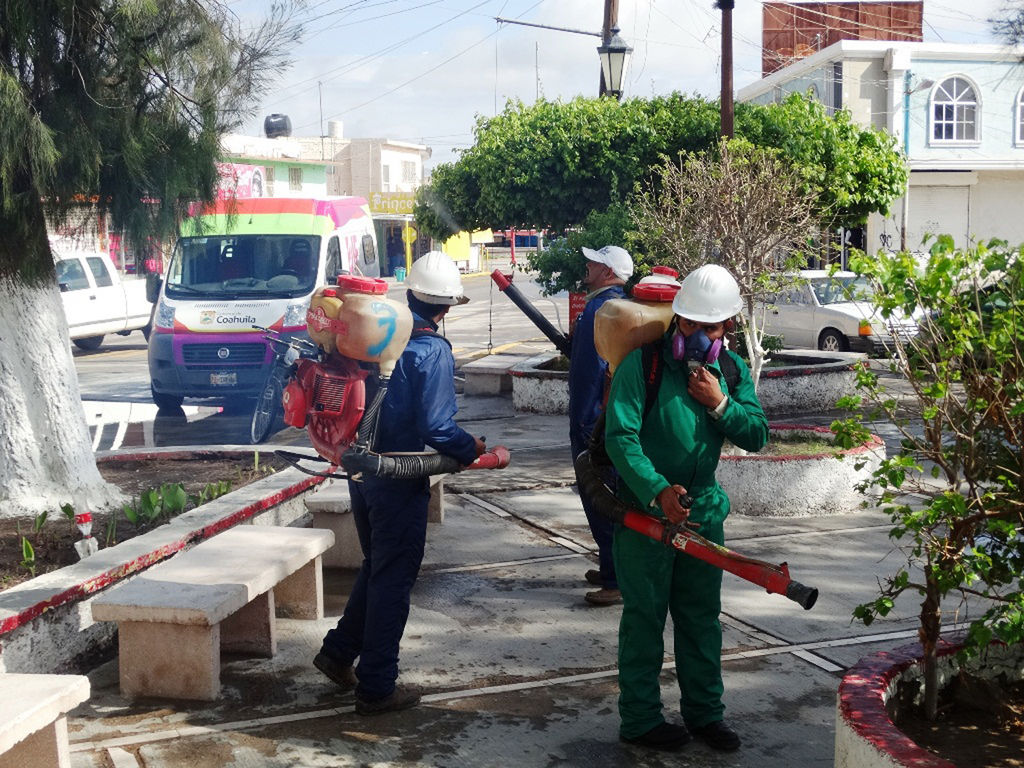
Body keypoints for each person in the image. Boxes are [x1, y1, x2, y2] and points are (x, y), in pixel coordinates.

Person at [603, 264, 768, 753]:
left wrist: (721, 405)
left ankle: (705, 715)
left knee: (701, 620)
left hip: (704, 514)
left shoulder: (730, 372)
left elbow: (757, 434)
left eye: (709, 327)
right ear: (676, 318)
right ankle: (640, 720)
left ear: (726, 327)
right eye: (689, 323)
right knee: (644, 620)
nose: (697, 335)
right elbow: (620, 438)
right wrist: (657, 490)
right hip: (646, 517)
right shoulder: (644, 366)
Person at [313, 250, 486, 715]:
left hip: (360, 470)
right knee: (394, 577)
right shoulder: (431, 351)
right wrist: (471, 448)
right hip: (396, 477)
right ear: (446, 307)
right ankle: (377, 687)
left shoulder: (372, 338)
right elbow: (438, 428)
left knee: (379, 565)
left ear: (409, 296)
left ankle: (338, 652)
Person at [569, 245, 633, 606]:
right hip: (607, 416)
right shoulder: (618, 305)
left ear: (608, 272)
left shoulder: (599, 309)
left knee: (599, 497)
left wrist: (583, 422)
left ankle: (615, 577)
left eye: (594, 262)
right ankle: (613, 565)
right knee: (606, 495)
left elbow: (590, 373)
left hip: (592, 420)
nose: (587, 265)